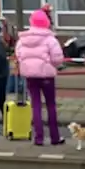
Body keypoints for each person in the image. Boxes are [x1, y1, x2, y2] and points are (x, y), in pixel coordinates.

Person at [15, 8, 65, 146]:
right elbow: (57, 58)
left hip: (30, 75)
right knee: (50, 105)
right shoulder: (50, 39)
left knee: (35, 105)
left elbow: (19, 55)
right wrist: (52, 65)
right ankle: (55, 137)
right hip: (47, 75)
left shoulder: (22, 39)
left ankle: (39, 138)